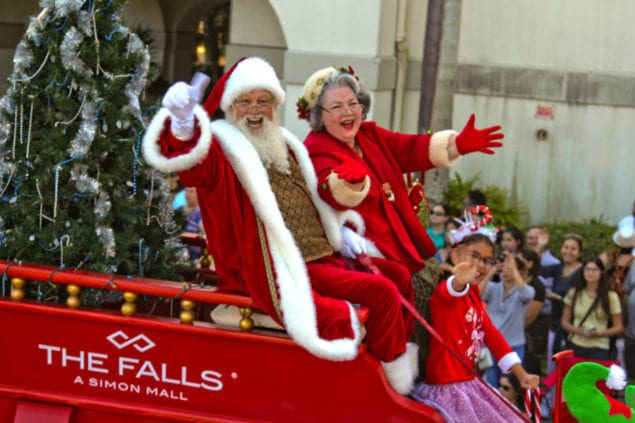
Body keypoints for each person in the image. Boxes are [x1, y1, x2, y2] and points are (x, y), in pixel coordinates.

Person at [142, 57, 419, 394]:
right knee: (383, 291)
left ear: (275, 105)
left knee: (399, 276)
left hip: (321, 255)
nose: (255, 110)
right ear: (231, 107)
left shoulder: (285, 144)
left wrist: (340, 231)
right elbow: (196, 168)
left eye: (263, 101)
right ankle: (388, 382)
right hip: (276, 266)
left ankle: (393, 361)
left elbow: (313, 197)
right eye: (245, 101)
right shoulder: (222, 146)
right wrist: (184, 125)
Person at [299, 65, 504, 378]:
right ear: (319, 115)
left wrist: (457, 145)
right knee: (427, 304)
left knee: (455, 299)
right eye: (337, 106)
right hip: (363, 256)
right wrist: (349, 185)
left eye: (353, 103)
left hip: (404, 250)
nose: (348, 111)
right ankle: (408, 377)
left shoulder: (368, 136)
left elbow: (409, 148)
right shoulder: (317, 149)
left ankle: (452, 376)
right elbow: (332, 189)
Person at [411, 233, 539, 422]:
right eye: (474, 256)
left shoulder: (473, 293)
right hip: (448, 389)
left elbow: (492, 335)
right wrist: (459, 280)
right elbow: (451, 290)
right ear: (455, 256)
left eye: (486, 260)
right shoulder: (447, 290)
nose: (480, 264)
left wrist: (521, 374)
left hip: (470, 382)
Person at [482, 252, 535, 388]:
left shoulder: (524, 290)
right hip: (489, 346)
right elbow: (477, 294)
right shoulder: (493, 287)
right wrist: (490, 273)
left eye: (509, 269)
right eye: (503, 268)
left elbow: (528, 295)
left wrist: (515, 269)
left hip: (513, 346)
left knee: (510, 387)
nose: (505, 271)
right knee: (490, 385)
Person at [560, 256, 623, 360]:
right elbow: (564, 322)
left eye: (594, 270)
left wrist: (599, 333)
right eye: (587, 269)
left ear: (601, 272)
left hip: (599, 346)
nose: (590, 273)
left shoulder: (610, 296)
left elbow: (618, 326)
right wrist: (576, 330)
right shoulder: (574, 292)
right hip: (576, 343)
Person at [539, 233, 584, 373]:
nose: (568, 252)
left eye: (573, 249)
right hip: (555, 322)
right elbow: (534, 268)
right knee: (553, 363)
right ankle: (551, 394)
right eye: (566, 247)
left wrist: (560, 299)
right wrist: (540, 247)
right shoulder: (557, 268)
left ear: (580, 252)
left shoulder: (583, 271)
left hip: (574, 325)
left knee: (570, 366)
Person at [517, 248, 547, 376]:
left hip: (529, 338)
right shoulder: (514, 282)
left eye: (519, 261)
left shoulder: (537, 286)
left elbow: (529, 318)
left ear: (529, 264)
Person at [181, 186, 204, 260]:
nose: (187, 194)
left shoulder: (201, 212)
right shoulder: (179, 210)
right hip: (178, 247)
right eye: (186, 191)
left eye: (191, 191)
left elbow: (204, 232)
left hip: (194, 253)